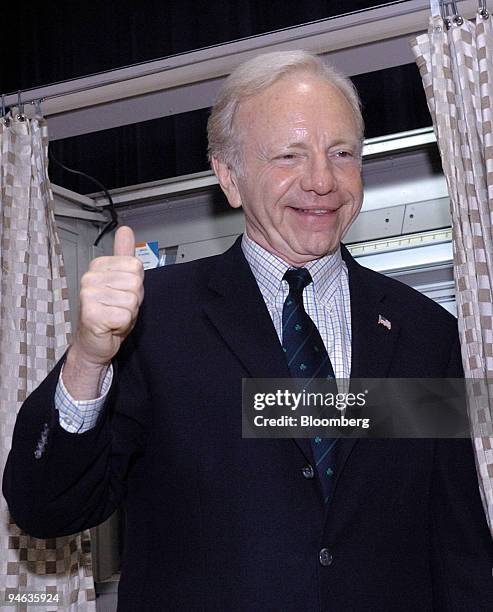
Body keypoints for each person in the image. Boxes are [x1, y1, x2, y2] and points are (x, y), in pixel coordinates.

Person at [3, 51, 493, 611]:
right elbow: (47, 509)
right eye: (290, 155)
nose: (321, 180)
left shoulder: (426, 332)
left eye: (341, 153)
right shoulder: (152, 321)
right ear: (229, 177)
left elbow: (458, 547)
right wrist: (88, 360)